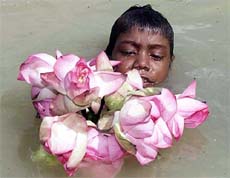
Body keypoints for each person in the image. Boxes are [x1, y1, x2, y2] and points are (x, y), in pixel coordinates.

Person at [105, 4, 174, 88]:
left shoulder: (181, 100)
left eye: (156, 55)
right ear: (108, 57)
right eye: (128, 52)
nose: (142, 63)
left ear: (170, 62)